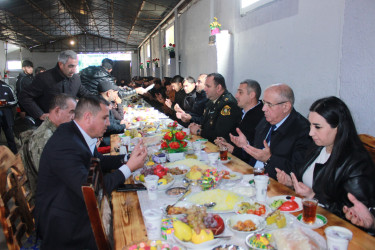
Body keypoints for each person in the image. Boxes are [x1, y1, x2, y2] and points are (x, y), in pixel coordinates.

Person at [35, 95, 147, 249]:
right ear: (88, 117)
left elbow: (98, 160)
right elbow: (94, 190)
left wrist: (128, 158)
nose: (108, 123)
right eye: (104, 118)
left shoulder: (75, 132)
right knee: (132, 228)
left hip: (74, 204)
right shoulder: (65, 145)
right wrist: (129, 168)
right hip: (66, 225)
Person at [276, 96, 375, 219]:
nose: (310, 133)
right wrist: (291, 184)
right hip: (308, 216)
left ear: (338, 128)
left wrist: (314, 198)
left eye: (317, 127)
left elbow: (356, 216)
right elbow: (307, 180)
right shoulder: (317, 147)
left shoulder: (357, 163)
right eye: (310, 125)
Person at [235, 83, 311, 179]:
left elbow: (297, 170)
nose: (263, 109)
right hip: (252, 173)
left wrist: (269, 159)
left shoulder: (303, 130)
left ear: (286, 107)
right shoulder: (266, 120)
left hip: (274, 183)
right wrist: (246, 145)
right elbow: (256, 152)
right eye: (264, 102)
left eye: (269, 104)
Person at [21, 94, 77, 204]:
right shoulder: (44, 138)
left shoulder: (57, 131)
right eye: (71, 112)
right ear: (57, 111)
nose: (74, 117)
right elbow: (51, 180)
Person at [19, 50, 91, 124]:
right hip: (48, 125)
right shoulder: (44, 78)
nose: (74, 70)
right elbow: (24, 96)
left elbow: (86, 95)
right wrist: (39, 114)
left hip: (69, 124)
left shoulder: (76, 79)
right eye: (71, 66)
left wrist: (101, 103)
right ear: (60, 64)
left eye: (76, 66)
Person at [215, 79, 264, 162]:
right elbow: (235, 137)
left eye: (240, 92)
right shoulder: (240, 111)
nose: (236, 95)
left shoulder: (261, 117)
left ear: (252, 95)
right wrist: (226, 141)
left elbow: (255, 152)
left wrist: (234, 150)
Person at [189, 73, 242, 143]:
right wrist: (197, 126)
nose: (204, 89)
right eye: (205, 86)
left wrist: (199, 131)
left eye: (208, 86)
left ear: (218, 88)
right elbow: (206, 123)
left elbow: (220, 134)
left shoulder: (228, 104)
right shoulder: (212, 100)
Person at [98, 81, 129, 145]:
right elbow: (109, 126)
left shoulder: (103, 102)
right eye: (114, 93)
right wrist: (123, 126)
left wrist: (119, 123)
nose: (116, 95)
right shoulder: (102, 105)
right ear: (108, 93)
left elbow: (111, 121)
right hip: (104, 139)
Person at [0, 75, 18, 153]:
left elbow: (15, 101)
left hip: (6, 116)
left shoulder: (6, 87)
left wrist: (6, 103)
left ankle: (14, 155)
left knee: (10, 137)